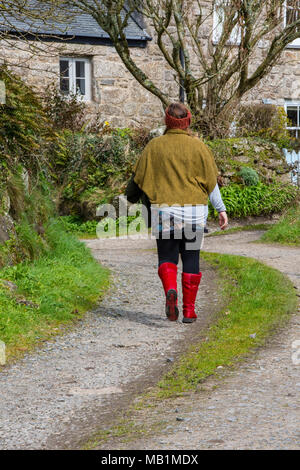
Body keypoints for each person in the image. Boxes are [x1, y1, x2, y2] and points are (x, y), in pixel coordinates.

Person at [126, 102, 228, 323]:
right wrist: (221, 210)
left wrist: (130, 197)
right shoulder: (199, 147)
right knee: (191, 258)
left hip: (165, 212)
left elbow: (138, 178)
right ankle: (189, 311)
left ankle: (170, 290)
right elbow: (212, 184)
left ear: (167, 121)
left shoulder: (154, 146)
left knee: (167, 257)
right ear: (188, 121)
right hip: (194, 213)